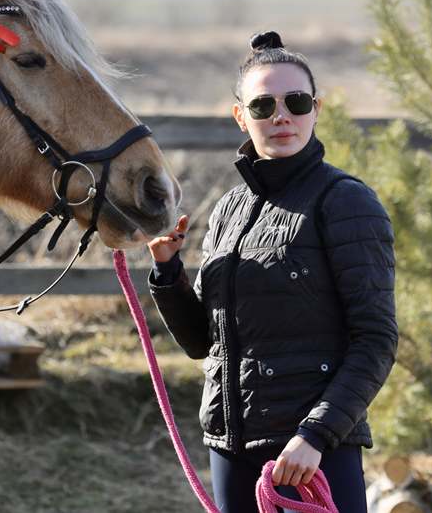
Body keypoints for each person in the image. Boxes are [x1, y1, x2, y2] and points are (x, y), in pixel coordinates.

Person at [147, 31, 398, 513]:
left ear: (316, 109)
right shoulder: (228, 209)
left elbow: (376, 339)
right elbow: (202, 342)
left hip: (311, 454)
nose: (281, 116)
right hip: (231, 448)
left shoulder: (346, 202)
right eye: (263, 106)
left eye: (296, 102)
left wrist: (316, 435)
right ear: (240, 117)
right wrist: (167, 270)